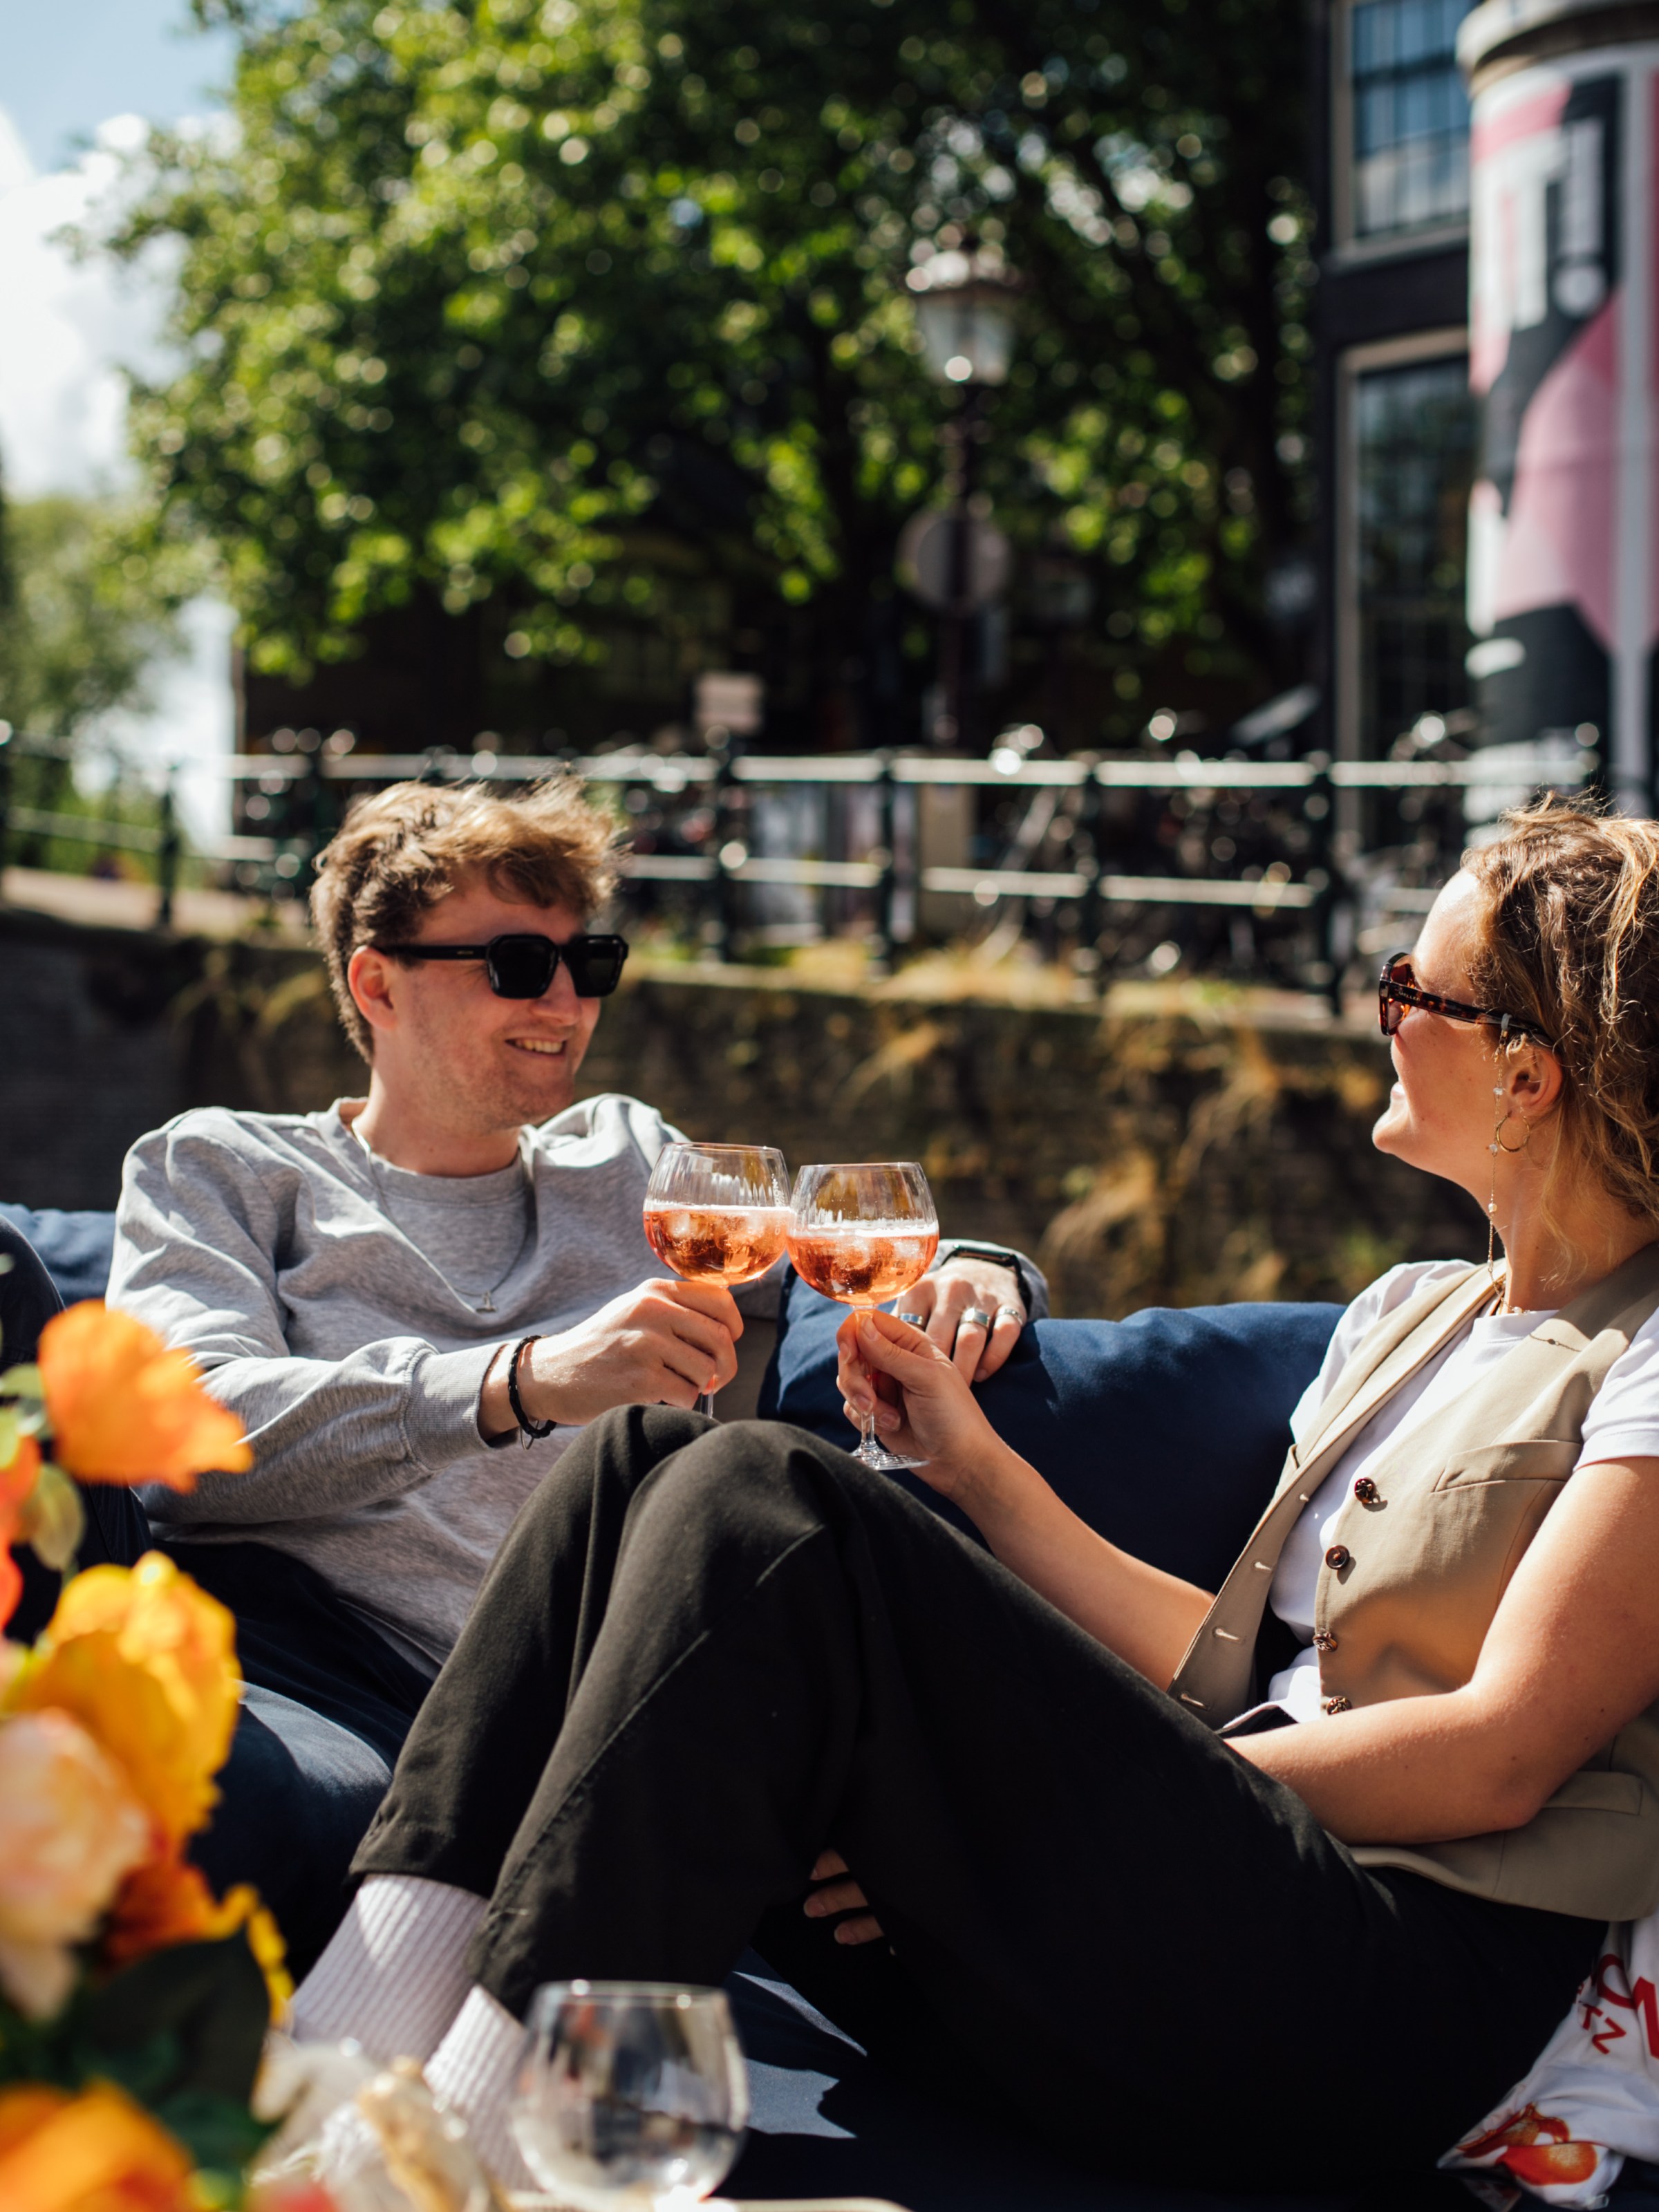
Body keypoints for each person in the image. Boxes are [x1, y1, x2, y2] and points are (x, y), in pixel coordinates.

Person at [287, 797, 1659, 2191]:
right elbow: (1225, 1666)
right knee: (637, 1461)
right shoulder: (1412, 1315)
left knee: (765, 1496)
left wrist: (1036, 1803)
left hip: (1393, 1990)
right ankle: (335, 2066)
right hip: (1189, 1902)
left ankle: (471, 2151)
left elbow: (1501, 1752)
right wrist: (974, 1469)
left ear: (1526, 1070)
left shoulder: (1651, 1352)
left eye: (1411, 988)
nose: (1382, 1016)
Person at [107, 777, 1038, 1963]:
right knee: (269, 1813)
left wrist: (978, 1268)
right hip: (316, 1669)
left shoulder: (628, 1159)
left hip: (596, 1712)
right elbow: (178, 1435)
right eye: (515, 965)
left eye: (587, 962)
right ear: (377, 984)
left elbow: (832, 1257)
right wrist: (523, 1382)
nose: (564, 1002)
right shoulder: (223, 1167)